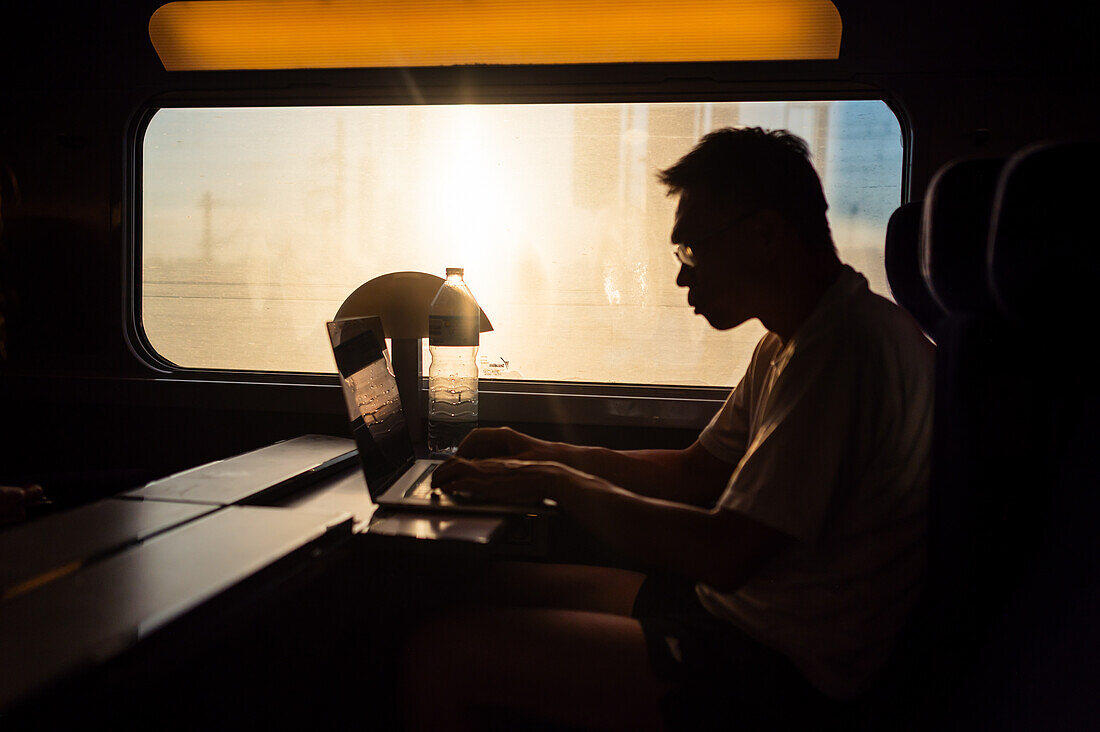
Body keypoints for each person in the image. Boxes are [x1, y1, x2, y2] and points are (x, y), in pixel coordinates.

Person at [400, 128, 934, 731]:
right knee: (491, 586)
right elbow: (693, 472)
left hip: (775, 670)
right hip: (735, 614)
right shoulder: (791, 340)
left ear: (764, 234)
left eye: (693, 251)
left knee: (444, 655)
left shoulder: (845, 353)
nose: (683, 279)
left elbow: (725, 552)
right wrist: (540, 451)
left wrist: (555, 481)